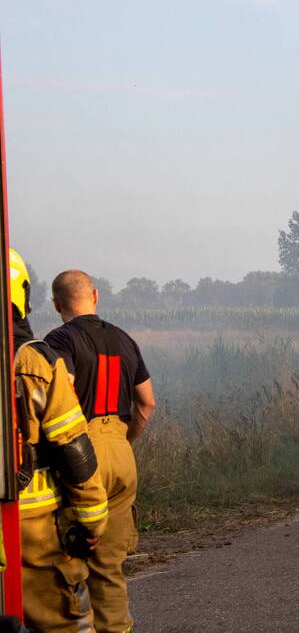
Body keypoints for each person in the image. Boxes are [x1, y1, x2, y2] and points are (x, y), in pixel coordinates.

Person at [46, 269, 158, 633]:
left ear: (57, 303)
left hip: (82, 454)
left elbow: (61, 394)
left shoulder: (60, 340)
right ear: (95, 296)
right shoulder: (125, 340)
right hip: (121, 453)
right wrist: (121, 442)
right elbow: (147, 404)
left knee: (71, 561)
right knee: (109, 566)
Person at [10, 251, 109, 632]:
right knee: (64, 624)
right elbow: (73, 449)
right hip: (30, 530)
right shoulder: (33, 361)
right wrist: (91, 522)